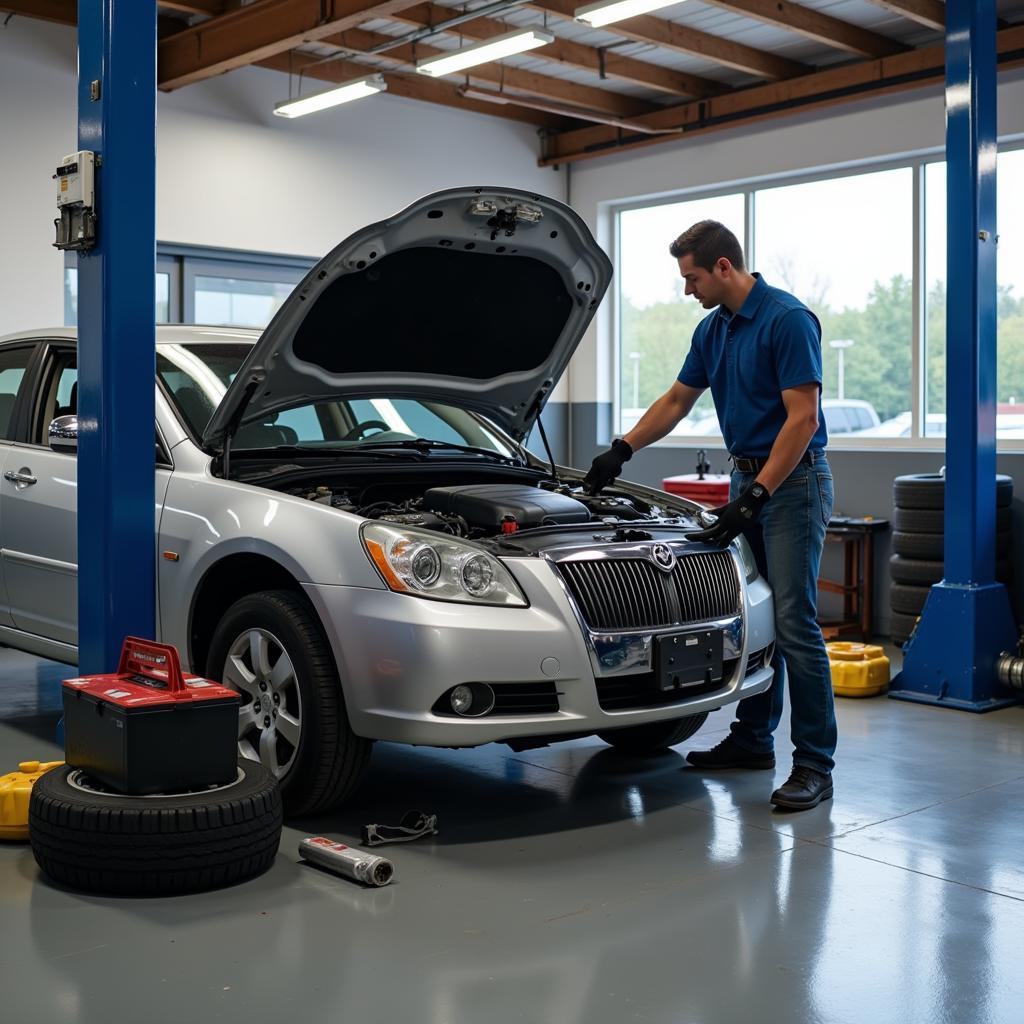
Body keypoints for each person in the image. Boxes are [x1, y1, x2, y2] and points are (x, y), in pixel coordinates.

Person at [583, 220, 836, 810]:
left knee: (796, 624)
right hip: (749, 476)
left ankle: (815, 765)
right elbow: (676, 400)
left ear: (724, 267)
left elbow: (802, 419)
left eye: (691, 276)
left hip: (794, 483)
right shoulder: (713, 329)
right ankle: (752, 740)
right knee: (757, 615)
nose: (687, 288)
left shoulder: (786, 320)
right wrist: (622, 449)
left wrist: (757, 495)